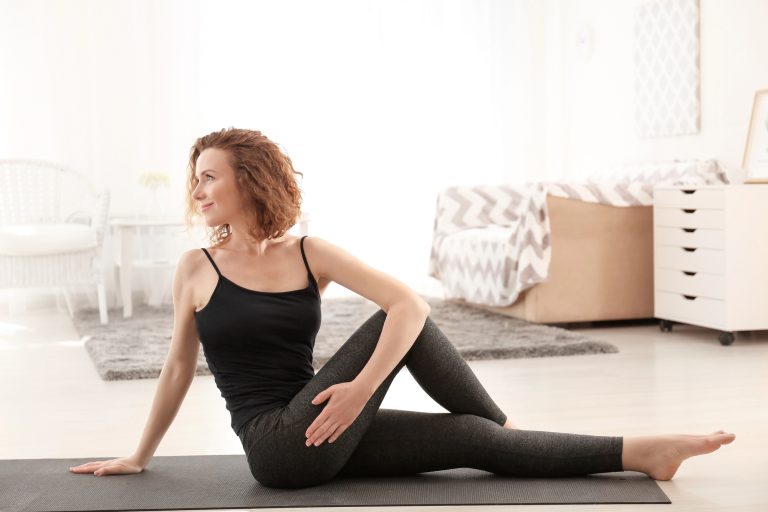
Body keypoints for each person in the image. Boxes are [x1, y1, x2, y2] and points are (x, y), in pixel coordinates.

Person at [69, 128, 735, 488]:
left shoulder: (309, 253)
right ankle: (506, 429)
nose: (198, 187)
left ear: (250, 181)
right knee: (402, 319)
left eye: (209, 174)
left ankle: (644, 452)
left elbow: (408, 304)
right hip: (275, 449)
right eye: (197, 177)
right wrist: (137, 455)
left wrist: (356, 392)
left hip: (320, 426)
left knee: (471, 436)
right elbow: (179, 370)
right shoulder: (196, 268)